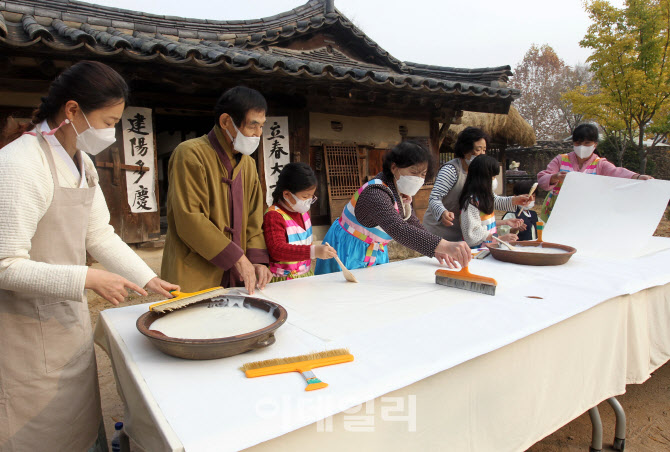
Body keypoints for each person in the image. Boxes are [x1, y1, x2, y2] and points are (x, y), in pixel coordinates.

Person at [0, 61, 178, 452]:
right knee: (38, 431)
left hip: (65, 317)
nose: (110, 133)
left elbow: (99, 233)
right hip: (24, 329)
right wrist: (88, 278)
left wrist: (147, 278)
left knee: (78, 422)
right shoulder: (21, 162)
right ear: (73, 110)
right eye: (107, 120)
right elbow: (5, 264)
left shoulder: (82, 163)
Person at [161, 86, 272, 295]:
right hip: (194, 272)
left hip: (237, 277)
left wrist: (257, 261)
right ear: (226, 122)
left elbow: (254, 218)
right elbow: (189, 218)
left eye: (262, 126)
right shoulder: (190, 153)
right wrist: (236, 257)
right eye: (253, 126)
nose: (258, 134)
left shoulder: (248, 164)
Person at [315, 140, 471, 275]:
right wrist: (445, 245)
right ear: (394, 167)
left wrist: (435, 249)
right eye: (413, 172)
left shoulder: (398, 192)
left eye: (423, 174)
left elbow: (412, 222)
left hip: (373, 251)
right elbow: (399, 228)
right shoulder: (375, 193)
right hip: (347, 249)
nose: (418, 178)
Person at [423, 127, 531, 240]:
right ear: (465, 150)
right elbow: (434, 198)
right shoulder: (451, 170)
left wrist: (514, 200)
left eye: (484, 150)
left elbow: (487, 199)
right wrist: (442, 213)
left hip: (464, 232)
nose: (482, 154)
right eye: (478, 150)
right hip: (439, 231)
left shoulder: (479, 173)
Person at [537, 123, 653, 222]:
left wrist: (636, 177)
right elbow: (542, 179)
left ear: (595, 144)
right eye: (578, 143)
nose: (582, 147)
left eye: (587, 143)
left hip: (587, 212)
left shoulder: (600, 164)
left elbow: (616, 172)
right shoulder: (561, 159)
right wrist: (554, 177)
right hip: (559, 210)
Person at [263, 163, 337, 282]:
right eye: (304, 197)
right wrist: (314, 251)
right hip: (282, 281)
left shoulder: (302, 212)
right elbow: (276, 249)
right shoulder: (273, 216)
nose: (308, 201)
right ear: (286, 194)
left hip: (304, 276)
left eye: (311, 197)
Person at [459, 155, 526, 248]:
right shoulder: (471, 202)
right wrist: (499, 238)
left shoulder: (485, 196)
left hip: (488, 248)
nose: (494, 180)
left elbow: (484, 223)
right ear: (482, 178)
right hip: (477, 252)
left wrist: (506, 222)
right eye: (493, 177)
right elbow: (473, 232)